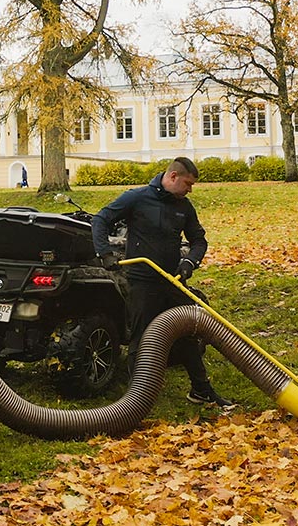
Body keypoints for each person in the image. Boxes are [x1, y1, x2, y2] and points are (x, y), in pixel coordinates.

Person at [90, 157, 235, 410]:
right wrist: (105, 253)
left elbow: (199, 240)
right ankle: (136, 403)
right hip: (142, 281)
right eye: (188, 183)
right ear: (173, 177)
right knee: (141, 338)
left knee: (190, 332)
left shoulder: (184, 207)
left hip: (171, 279)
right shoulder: (137, 198)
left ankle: (201, 390)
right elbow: (100, 219)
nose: (190, 189)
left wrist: (189, 262)